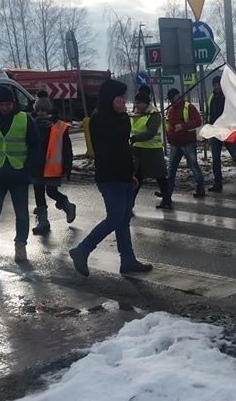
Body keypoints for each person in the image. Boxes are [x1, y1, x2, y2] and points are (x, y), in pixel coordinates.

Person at [69, 79, 152, 277]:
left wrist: (130, 175)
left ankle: (128, 260)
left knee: (123, 220)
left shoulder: (118, 117)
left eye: (124, 97)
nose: (124, 101)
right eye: (120, 98)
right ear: (110, 98)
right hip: (109, 177)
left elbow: (123, 148)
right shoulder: (100, 119)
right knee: (115, 218)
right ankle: (82, 250)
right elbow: (113, 144)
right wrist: (123, 116)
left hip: (123, 176)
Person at [0, 85, 39, 267]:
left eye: (8, 104)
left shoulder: (25, 119)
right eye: (1, 104)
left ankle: (20, 247)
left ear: (13, 103)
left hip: (18, 175)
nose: (4, 108)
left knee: (21, 214)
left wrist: (27, 168)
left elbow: (35, 146)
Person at [31, 97, 76, 235]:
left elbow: (67, 149)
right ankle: (43, 222)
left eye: (44, 110)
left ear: (49, 110)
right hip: (36, 166)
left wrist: (68, 166)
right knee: (39, 193)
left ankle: (67, 205)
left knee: (51, 192)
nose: (41, 113)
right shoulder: (31, 124)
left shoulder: (59, 126)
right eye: (38, 110)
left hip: (52, 167)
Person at [131, 89, 171, 210]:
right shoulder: (137, 113)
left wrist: (135, 138)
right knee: (137, 178)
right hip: (139, 151)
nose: (136, 105)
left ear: (145, 103)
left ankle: (167, 200)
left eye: (138, 103)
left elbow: (151, 132)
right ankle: (129, 204)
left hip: (153, 151)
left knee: (160, 177)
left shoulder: (154, 114)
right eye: (135, 103)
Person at [206, 75, 236, 192]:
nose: (217, 87)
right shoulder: (211, 98)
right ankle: (218, 183)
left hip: (228, 130)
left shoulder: (229, 97)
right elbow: (209, 114)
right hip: (216, 131)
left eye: (218, 84)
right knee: (215, 159)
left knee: (235, 155)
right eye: (215, 85)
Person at [166, 88, 205, 199]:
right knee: (171, 168)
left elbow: (197, 121)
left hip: (188, 143)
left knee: (194, 166)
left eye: (172, 99)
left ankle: (200, 189)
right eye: (169, 100)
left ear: (177, 96)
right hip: (175, 143)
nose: (170, 101)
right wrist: (169, 137)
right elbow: (169, 125)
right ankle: (167, 192)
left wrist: (183, 126)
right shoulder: (170, 110)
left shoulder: (189, 107)